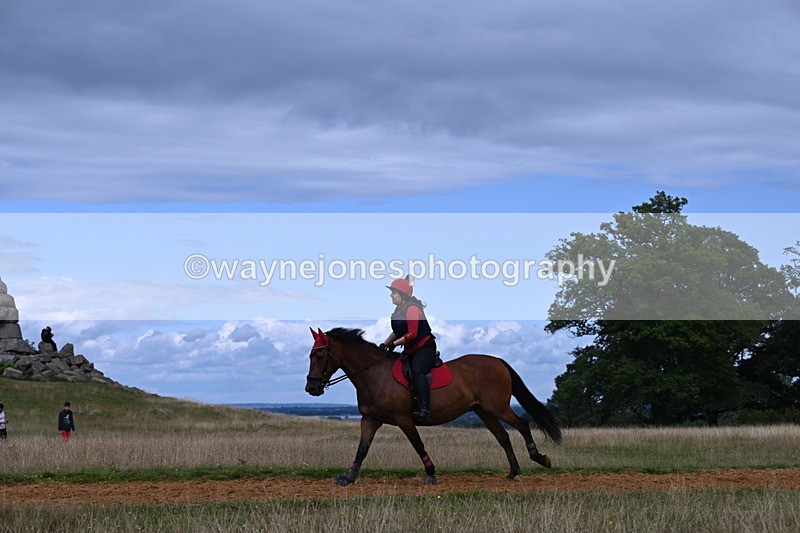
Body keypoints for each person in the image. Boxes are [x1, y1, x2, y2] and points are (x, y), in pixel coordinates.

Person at [381, 276, 437, 423]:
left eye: (394, 292)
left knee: (417, 372)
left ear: (402, 294)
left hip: (424, 347)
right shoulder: (398, 310)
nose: (391, 295)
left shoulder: (412, 309)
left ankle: (424, 409)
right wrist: (385, 344)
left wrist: (393, 345)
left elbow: (412, 333)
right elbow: (397, 332)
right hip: (411, 349)